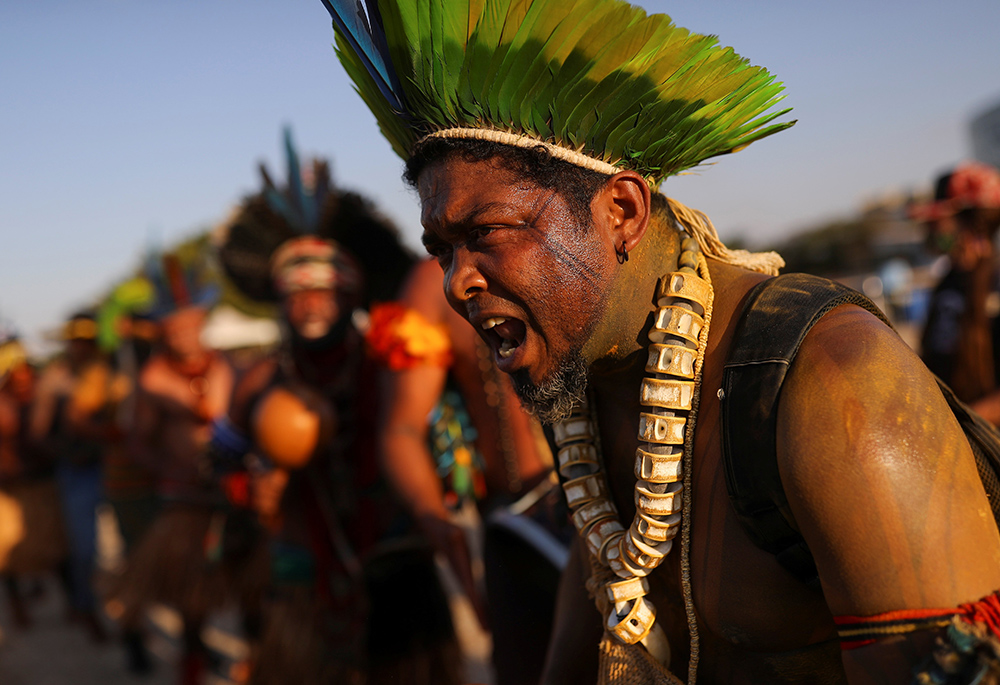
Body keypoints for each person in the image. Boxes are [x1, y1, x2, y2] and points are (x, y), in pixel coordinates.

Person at [323, 1, 1000, 683]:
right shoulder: (586, 388)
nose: (456, 282)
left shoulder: (831, 384)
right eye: (441, 250)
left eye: (487, 232)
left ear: (621, 210)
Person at [214, 130, 458, 685]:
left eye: (323, 292)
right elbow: (221, 459)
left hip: (395, 550)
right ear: (279, 301)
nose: (310, 305)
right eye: (297, 294)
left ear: (350, 295)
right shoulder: (261, 378)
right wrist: (251, 485)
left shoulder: (387, 362)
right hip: (304, 558)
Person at [373, 257, 572, 685]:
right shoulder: (438, 281)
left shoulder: (594, 230)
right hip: (523, 535)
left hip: (639, 518)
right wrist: (439, 523)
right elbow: (402, 429)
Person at [110, 255, 234, 685]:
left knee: (251, 582)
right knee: (191, 592)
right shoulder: (153, 381)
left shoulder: (226, 369)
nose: (183, 334)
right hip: (182, 500)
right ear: (163, 330)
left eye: (190, 324)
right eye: (174, 327)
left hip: (231, 493)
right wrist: (171, 467)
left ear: (202, 322)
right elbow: (138, 442)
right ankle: (192, 660)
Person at [28, 311, 116, 641]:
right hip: (78, 472)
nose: (81, 347)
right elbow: (39, 432)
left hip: (117, 468)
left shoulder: (111, 369)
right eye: (76, 341)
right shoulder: (56, 377)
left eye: (86, 340)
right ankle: (86, 607)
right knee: (84, 549)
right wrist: (70, 452)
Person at [914, 162, 1000, 424]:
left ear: (973, 220)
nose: (931, 228)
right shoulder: (946, 282)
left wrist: (962, 424)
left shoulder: (995, 283)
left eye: (940, 219)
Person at [0, 330, 67, 629]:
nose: (22, 374)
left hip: (43, 485)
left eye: (25, 368)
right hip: (9, 490)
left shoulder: (44, 395)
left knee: (58, 551)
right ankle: (17, 609)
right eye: (16, 370)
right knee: (7, 557)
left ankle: (77, 607)